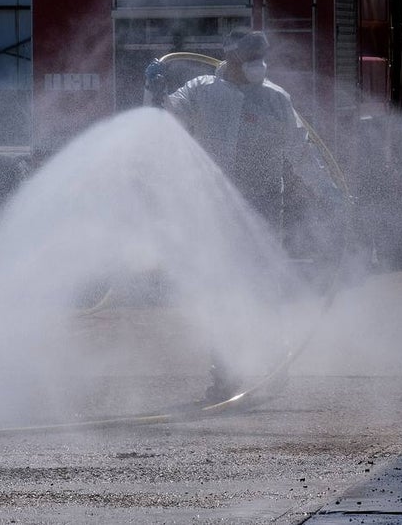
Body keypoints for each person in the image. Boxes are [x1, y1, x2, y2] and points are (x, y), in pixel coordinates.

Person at [145, 29, 345, 403]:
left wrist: (331, 196)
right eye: (249, 59)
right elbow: (165, 116)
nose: (258, 66)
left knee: (264, 288)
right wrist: (155, 92)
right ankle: (225, 377)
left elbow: (301, 153)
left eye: (261, 58)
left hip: (264, 206)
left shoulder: (276, 100)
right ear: (231, 59)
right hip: (216, 208)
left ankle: (273, 367)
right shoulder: (202, 90)